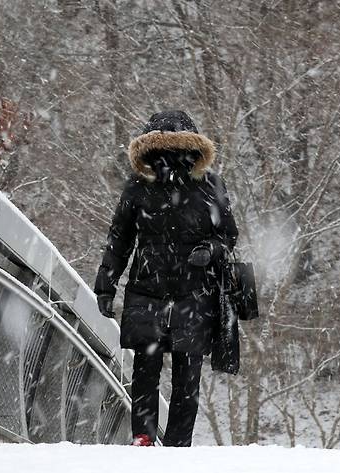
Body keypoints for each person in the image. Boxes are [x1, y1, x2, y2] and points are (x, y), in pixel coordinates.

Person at [94, 110, 238, 447]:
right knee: (178, 380)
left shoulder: (146, 187)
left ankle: (150, 445)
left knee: (154, 377)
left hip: (162, 292)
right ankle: (170, 449)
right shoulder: (203, 186)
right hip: (178, 294)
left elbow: (120, 240)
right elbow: (229, 236)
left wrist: (107, 286)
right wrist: (105, 285)